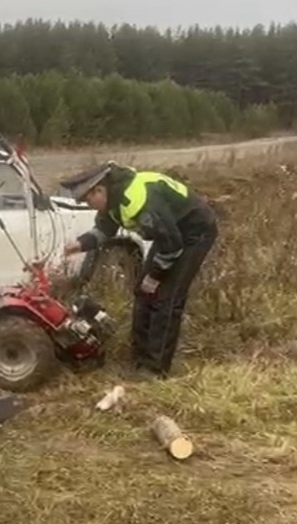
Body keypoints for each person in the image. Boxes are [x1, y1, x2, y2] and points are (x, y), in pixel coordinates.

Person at [59, 161, 218, 380]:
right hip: (169, 234)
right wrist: (79, 244)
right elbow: (104, 229)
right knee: (143, 292)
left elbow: (172, 246)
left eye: (88, 200)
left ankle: (155, 369)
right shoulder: (112, 198)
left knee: (167, 297)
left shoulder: (137, 200)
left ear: (99, 190)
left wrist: (154, 276)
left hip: (193, 232)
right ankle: (138, 358)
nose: (89, 205)